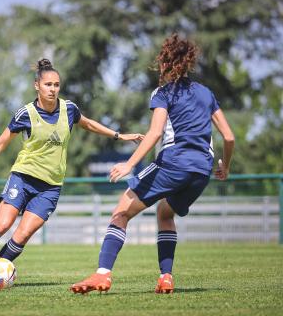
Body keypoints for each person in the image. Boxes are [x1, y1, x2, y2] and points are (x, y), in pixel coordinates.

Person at [0, 58, 144, 286]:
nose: (53, 89)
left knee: (22, 235)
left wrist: (119, 135)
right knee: (2, 224)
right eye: (48, 84)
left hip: (50, 188)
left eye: (57, 85)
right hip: (22, 177)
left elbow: (88, 124)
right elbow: (0, 143)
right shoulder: (26, 114)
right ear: (37, 86)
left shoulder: (69, 109)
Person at [70, 34, 235, 294]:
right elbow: (229, 136)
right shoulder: (206, 93)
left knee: (120, 212)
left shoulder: (163, 93)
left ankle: (102, 275)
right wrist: (225, 166)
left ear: (166, 63)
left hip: (174, 163)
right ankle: (166, 277)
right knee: (165, 213)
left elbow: (155, 133)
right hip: (202, 170)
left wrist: (129, 163)